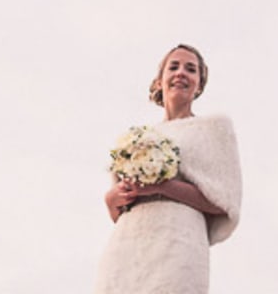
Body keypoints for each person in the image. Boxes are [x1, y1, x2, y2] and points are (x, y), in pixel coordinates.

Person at [91, 45, 242, 294]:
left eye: (190, 69)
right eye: (173, 67)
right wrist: (111, 199)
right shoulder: (136, 139)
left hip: (179, 246)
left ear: (199, 84)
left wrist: (162, 186)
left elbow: (224, 202)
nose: (181, 72)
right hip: (126, 248)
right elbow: (119, 211)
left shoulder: (215, 129)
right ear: (160, 81)